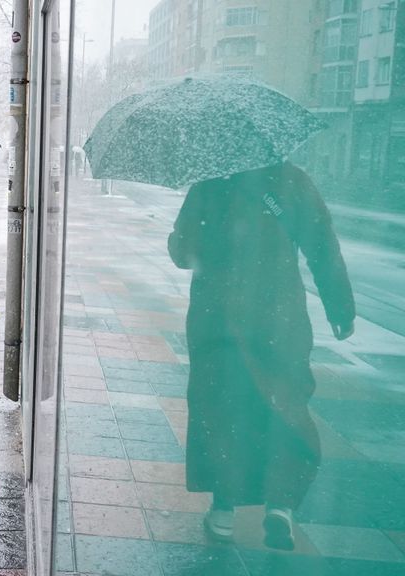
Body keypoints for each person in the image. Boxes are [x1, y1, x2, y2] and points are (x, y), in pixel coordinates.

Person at [168, 161, 355, 550]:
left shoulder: (211, 183)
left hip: (217, 316)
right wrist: (341, 307)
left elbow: (183, 254)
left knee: (220, 406)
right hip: (279, 315)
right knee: (284, 402)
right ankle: (281, 504)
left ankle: (223, 511)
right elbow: (322, 246)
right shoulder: (292, 181)